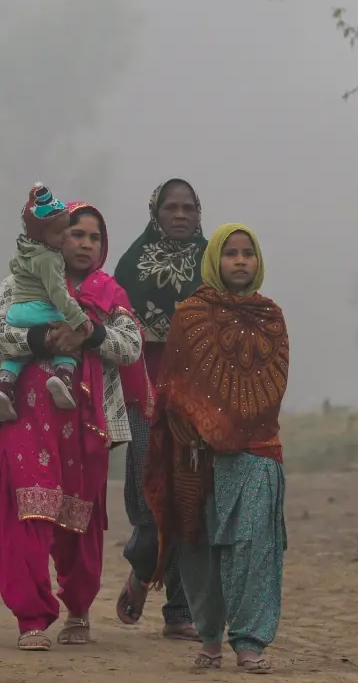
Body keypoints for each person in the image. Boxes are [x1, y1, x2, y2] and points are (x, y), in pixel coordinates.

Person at [0, 201, 151, 652]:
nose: (85, 243)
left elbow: (132, 347)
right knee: (28, 507)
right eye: (76, 233)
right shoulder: (23, 280)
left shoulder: (109, 294)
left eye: (94, 237)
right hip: (20, 413)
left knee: (78, 516)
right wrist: (38, 338)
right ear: (56, 236)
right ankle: (31, 618)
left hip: (85, 422)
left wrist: (90, 333)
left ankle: (78, 607)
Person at [144, 223, 289, 673]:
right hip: (198, 455)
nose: (241, 261)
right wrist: (197, 426)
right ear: (214, 262)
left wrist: (231, 425)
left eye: (248, 253)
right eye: (231, 253)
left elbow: (274, 382)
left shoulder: (271, 316)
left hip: (257, 451)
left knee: (254, 548)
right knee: (200, 548)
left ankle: (249, 643)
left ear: (259, 261)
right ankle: (209, 637)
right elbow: (173, 385)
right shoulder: (190, 315)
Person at [112, 178, 208, 640]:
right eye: (171, 206)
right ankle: (141, 568)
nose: (180, 214)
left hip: (200, 399)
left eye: (188, 206)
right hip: (145, 394)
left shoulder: (215, 260)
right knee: (153, 502)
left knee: (191, 501)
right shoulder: (130, 265)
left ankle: (179, 611)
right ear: (156, 212)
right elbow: (115, 332)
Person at [0, 184, 94, 420]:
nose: (67, 236)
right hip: (40, 310)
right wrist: (80, 321)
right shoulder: (50, 259)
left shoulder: (26, 249)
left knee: (16, 354)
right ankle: (63, 376)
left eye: (68, 229)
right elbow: (58, 294)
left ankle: (4, 387)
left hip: (17, 313)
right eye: (62, 233)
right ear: (41, 235)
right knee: (67, 335)